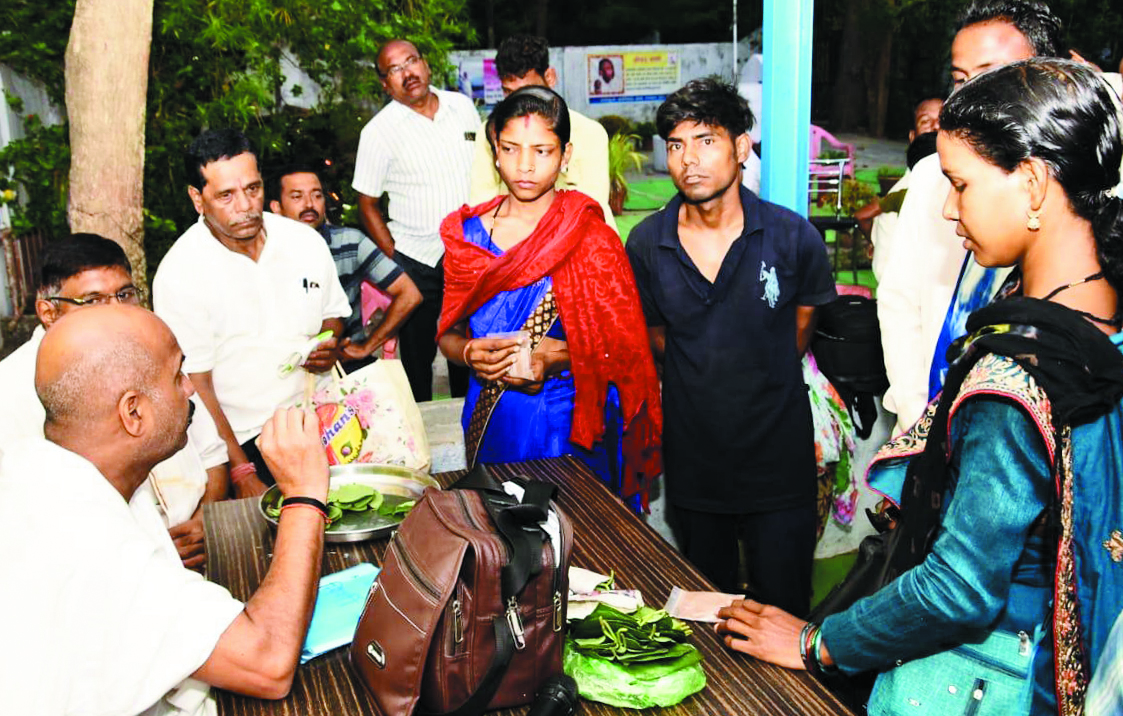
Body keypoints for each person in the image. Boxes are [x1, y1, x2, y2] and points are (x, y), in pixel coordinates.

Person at [717, 59, 1123, 716]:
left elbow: (958, 588)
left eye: (959, 184)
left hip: (997, 686)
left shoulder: (1015, 379)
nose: (945, 206)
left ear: (1033, 182)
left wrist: (816, 641)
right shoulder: (1099, 322)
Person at [0, 304, 329, 715]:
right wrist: (303, 495)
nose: (190, 388)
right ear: (133, 412)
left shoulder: (28, 466)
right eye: (177, 376)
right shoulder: (93, 545)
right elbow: (268, 663)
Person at [626, 78, 836, 616]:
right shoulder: (648, 243)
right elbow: (656, 337)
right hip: (695, 467)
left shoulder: (792, 238)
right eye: (675, 145)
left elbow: (801, 326)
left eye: (705, 141)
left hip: (779, 463)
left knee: (784, 611)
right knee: (704, 612)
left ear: (741, 148)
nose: (688, 160)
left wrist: (751, 369)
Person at [437, 86, 662, 507]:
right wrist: (469, 354)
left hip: (573, 425)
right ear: (494, 151)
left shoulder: (591, 237)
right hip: (492, 421)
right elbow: (447, 335)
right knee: (503, 548)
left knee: (577, 547)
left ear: (565, 155)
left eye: (542, 150)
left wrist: (556, 358)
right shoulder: (465, 237)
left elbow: (625, 351)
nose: (525, 165)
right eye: (511, 148)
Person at [878, 0, 1061, 435]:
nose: (970, 95)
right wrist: (912, 415)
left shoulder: (1083, 187)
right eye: (960, 79)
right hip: (932, 427)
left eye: (991, 75)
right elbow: (900, 301)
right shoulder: (929, 179)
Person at [0, 234, 227, 569]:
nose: (117, 311)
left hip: (205, 543)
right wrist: (149, 555)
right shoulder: (11, 390)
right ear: (48, 311)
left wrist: (204, 522)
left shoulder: (154, 350)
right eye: (92, 301)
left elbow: (213, 456)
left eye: (124, 294)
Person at [154, 128, 350, 491]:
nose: (245, 207)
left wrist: (329, 342)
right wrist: (241, 470)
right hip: (244, 442)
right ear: (198, 199)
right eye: (226, 195)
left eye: (253, 189)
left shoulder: (304, 242)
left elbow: (333, 313)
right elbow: (198, 385)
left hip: (324, 423)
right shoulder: (180, 274)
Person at [352, 39, 478, 402]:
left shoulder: (462, 108)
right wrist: (394, 262)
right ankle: (419, 442)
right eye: (394, 69)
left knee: (468, 356)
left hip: (468, 256)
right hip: (415, 262)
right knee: (418, 364)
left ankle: (471, 433)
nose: (407, 73)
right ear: (384, 83)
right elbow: (367, 204)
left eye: (411, 61)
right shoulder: (378, 132)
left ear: (426, 64)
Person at [269, 164, 422, 368]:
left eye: (317, 195)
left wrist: (367, 347)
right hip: (285, 366)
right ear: (276, 208)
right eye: (297, 197)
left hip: (345, 362)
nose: (309, 204)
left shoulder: (350, 242)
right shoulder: (263, 252)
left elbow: (410, 294)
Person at [467, 34, 616, 232]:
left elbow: (590, 208)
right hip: (510, 245)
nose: (519, 101)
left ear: (550, 77)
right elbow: (481, 204)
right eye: (508, 92)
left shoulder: (590, 133)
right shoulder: (490, 132)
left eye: (529, 91)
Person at [854, 97, 942, 281]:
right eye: (926, 121)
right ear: (912, 136)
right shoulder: (910, 187)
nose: (935, 127)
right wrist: (876, 240)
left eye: (942, 120)